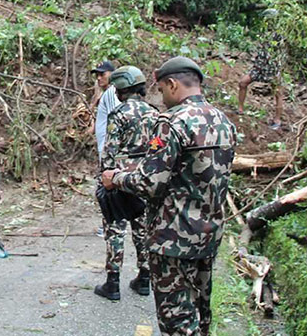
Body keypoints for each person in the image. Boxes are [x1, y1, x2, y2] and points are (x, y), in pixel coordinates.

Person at [103, 56, 237, 336]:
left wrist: (114, 178)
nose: (161, 97)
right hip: (208, 235)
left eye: (162, 90)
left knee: (177, 322)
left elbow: (149, 183)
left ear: (173, 84)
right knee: (201, 316)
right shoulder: (223, 121)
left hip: (173, 239)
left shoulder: (172, 122)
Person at [94, 66, 159, 301]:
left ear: (121, 89)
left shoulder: (119, 114)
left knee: (115, 229)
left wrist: (105, 178)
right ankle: (144, 279)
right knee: (143, 230)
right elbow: (158, 149)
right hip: (145, 179)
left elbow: (109, 151)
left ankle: (112, 283)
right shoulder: (155, 114)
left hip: (120, 179)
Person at [91, 61, 119, 238]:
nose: (99, 78)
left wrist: (110, 152)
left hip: (109, 151)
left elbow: (116, 120)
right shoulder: (110, 93)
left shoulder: (111, 93)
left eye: (103, 74)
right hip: (107, 150)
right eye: (97, 75)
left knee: (106, 190)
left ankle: (110, 226)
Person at [238, 26, 285, 130]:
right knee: (242, 83)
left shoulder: (279, 35)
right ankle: (240, 109)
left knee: (278, 93)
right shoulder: (264, 33)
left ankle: (277, 120)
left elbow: (279, 52)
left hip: (272, 68)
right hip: (259, 67)